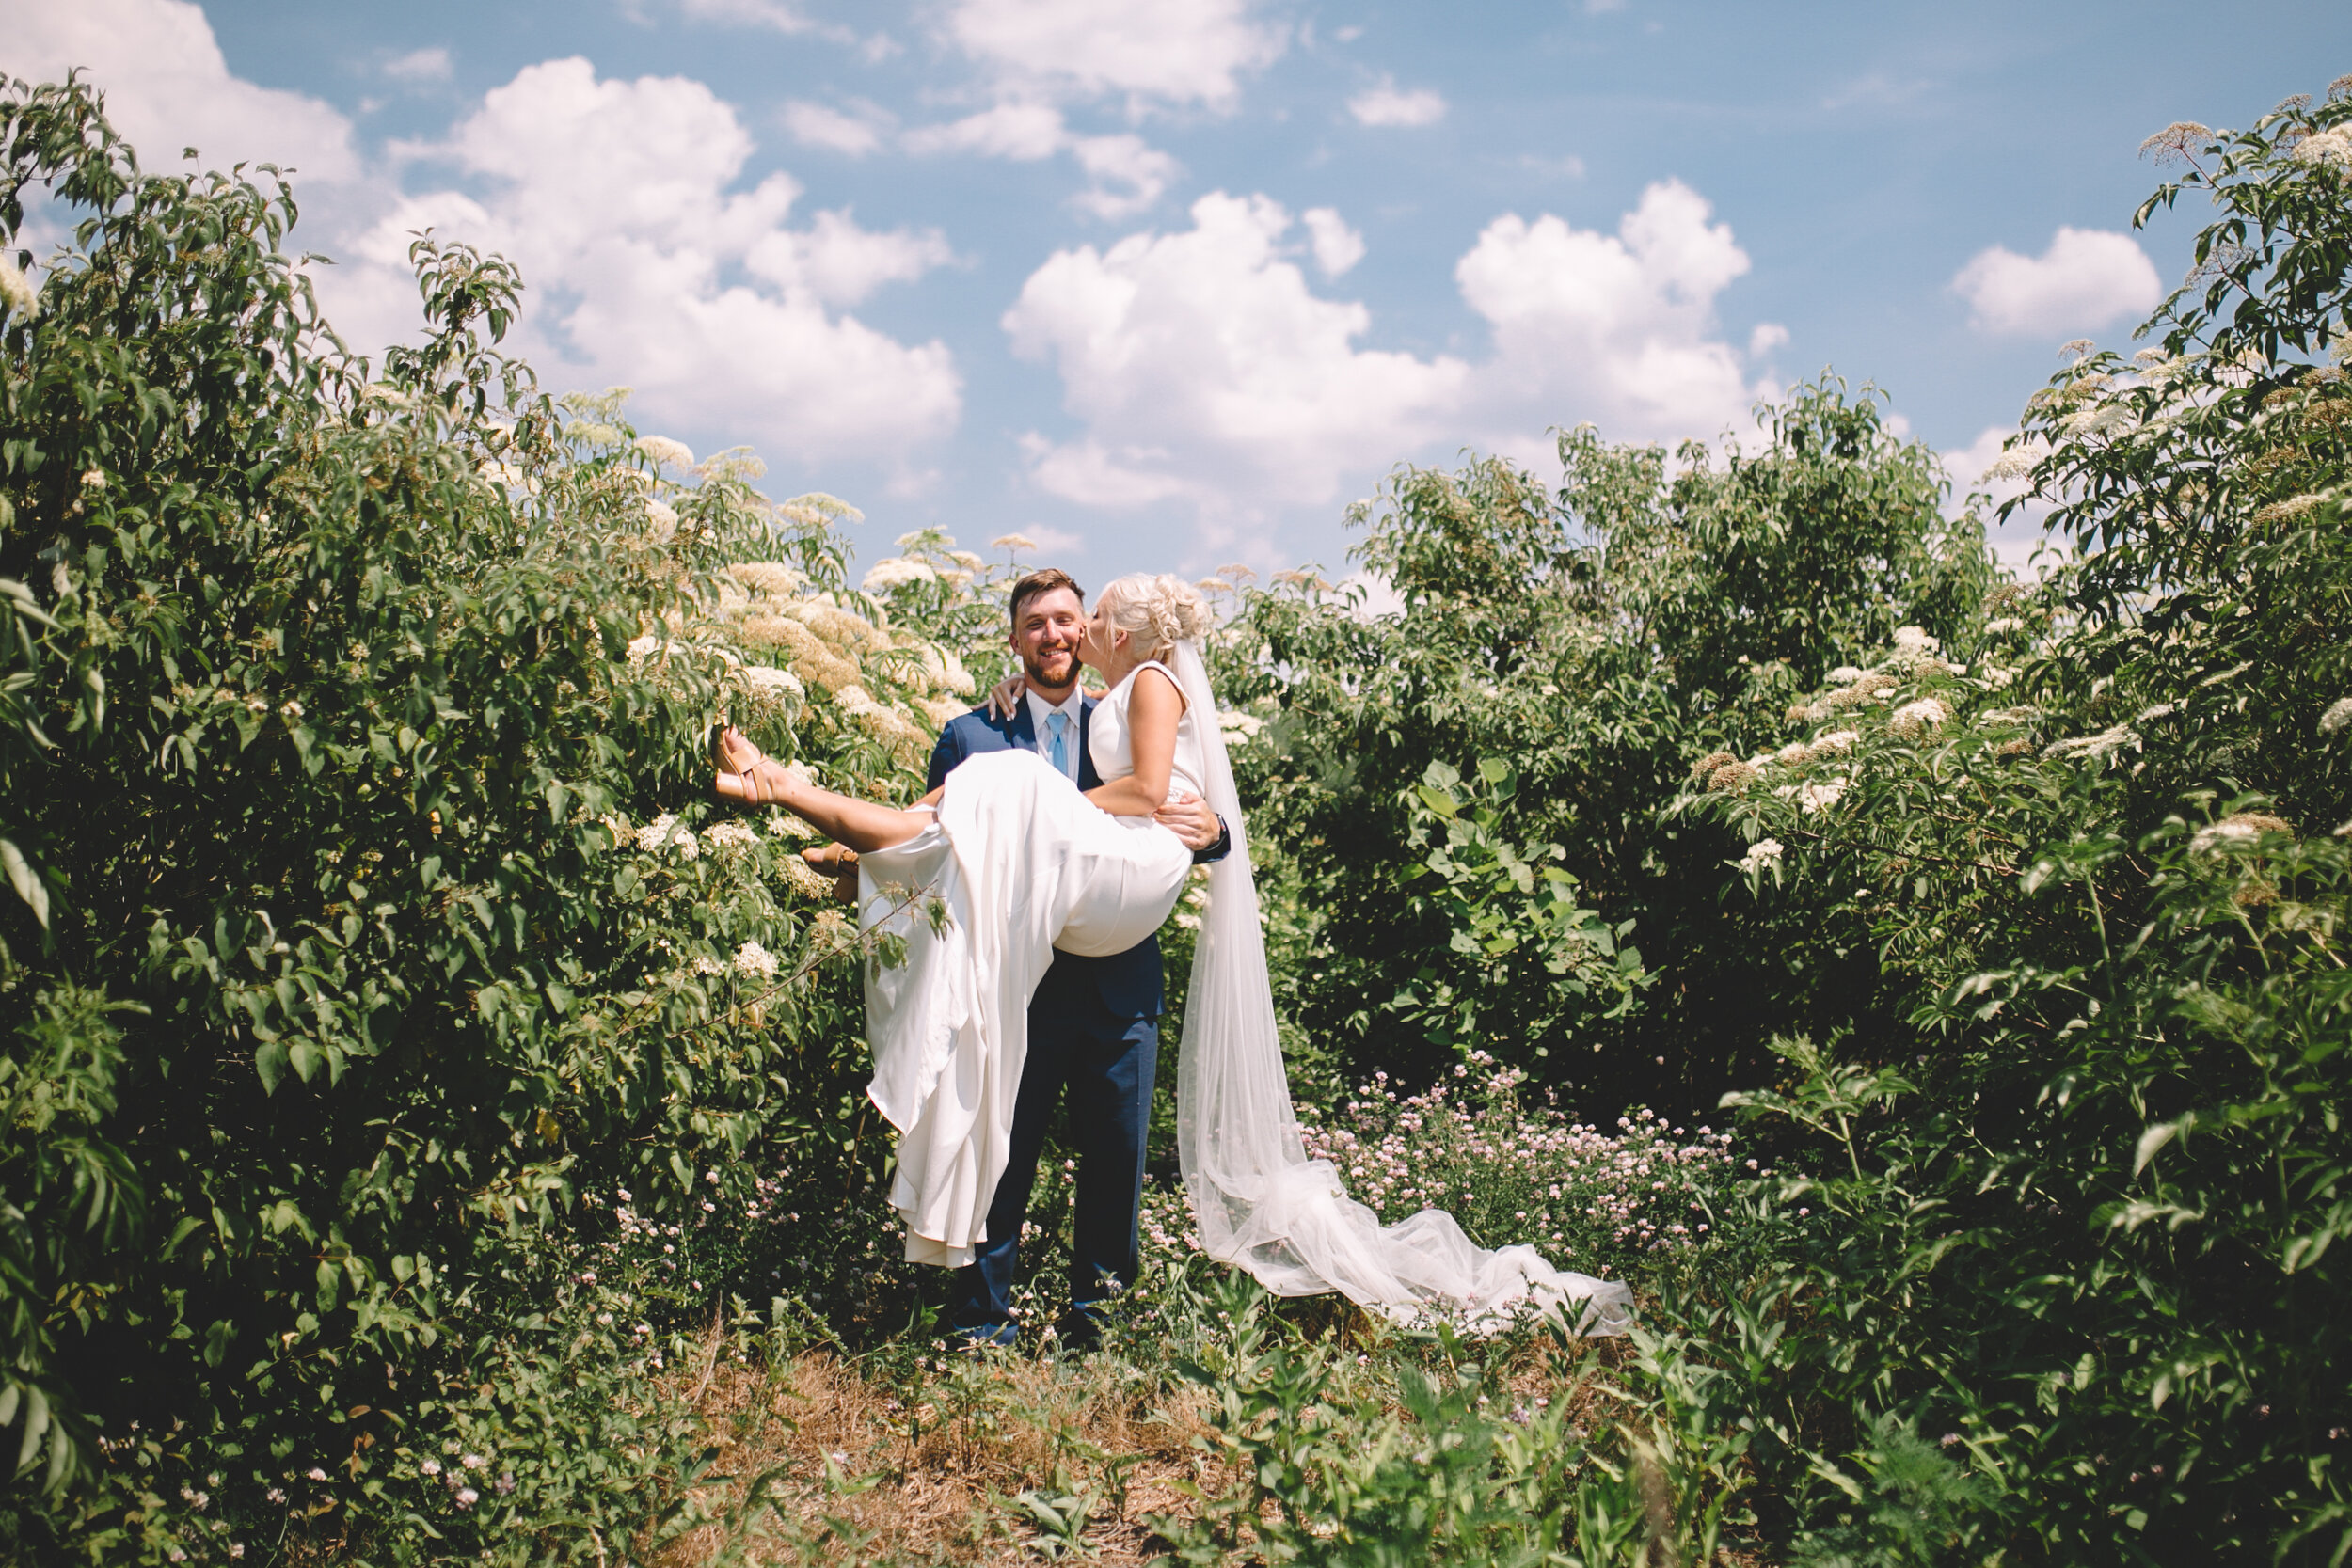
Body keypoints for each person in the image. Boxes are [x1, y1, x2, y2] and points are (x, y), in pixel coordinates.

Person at [714, 573, 1634, 1342]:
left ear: (1091, 631)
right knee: (1002, 1144)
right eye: (1037, 622)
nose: (1061, 631)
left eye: (1073, 617)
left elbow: (1177, 794)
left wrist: (1217, 829)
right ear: (1014, 637)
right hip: (1019, 971)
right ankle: (977, 1328)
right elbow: (952, 843)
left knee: (1114, 1162)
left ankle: (1099, 1328)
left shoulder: (1131, 696)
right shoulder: (970, 731)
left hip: (1113, 973)